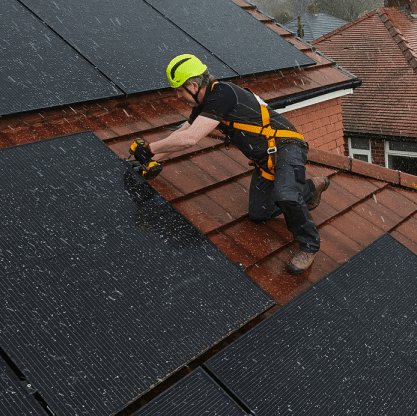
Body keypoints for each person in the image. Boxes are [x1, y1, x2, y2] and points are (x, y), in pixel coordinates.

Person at [138, 54, 329, 274]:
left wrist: (149, 148)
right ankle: (311, 188)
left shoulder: (222, 94)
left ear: (193, 84)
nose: (178, 95)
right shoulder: (205, 103)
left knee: (285, 194)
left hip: (288, 146)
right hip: (264, 160)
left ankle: (309, 245)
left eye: (179, 90)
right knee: (259, 214)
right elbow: (183, 133)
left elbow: (191, 139)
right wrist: (148, 160)